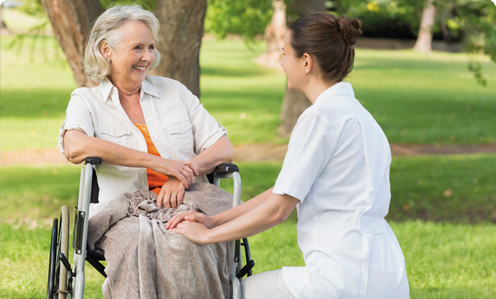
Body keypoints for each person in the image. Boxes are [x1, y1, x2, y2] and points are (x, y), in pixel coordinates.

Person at [167, 12, 409, 299]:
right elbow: (283, 191)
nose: (281, 63)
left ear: (306, 62)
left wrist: (207, 236)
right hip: (388, 275)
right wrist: (215, 220)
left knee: (236, 294)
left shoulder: (320, 118)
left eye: (284, 54)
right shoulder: (364, 118)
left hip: (338, 279)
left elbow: (278, 209)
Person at [58, 5, 232, 217]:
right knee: (177, 239)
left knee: (189, 231)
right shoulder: (86, 101)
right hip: (126, 214)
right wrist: (160, 163)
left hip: (188, 203)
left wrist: (181, 173)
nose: (148, 57)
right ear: (106, 50)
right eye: (137, 48)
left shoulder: (175, 92)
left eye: (151, 47)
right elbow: (74, 146)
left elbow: (223, 148)